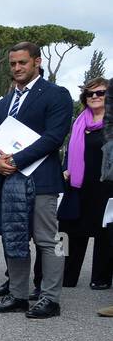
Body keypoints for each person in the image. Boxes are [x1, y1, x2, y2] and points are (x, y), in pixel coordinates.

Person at [0, 43, 73, 318]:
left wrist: (15, 160)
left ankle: (51, 299)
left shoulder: (57, 94)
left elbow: (54, 138)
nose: (17, 68)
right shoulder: (4, 102)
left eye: (22, 62)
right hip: (9, 181)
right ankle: (18, 296)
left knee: (50, 239)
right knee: (14, 238)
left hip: (42, 180)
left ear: (37, 62)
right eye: (13, 64)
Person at [57, 77, 112, 290]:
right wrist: (64, 170)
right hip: (77, 186)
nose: (95, 97)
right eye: (90, 94)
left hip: (106, 187)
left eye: (100, 93)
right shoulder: (79, 122)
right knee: (66, 231)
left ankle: (101, 277)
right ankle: (63, 275)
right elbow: (69, 152)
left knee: (105, 234)